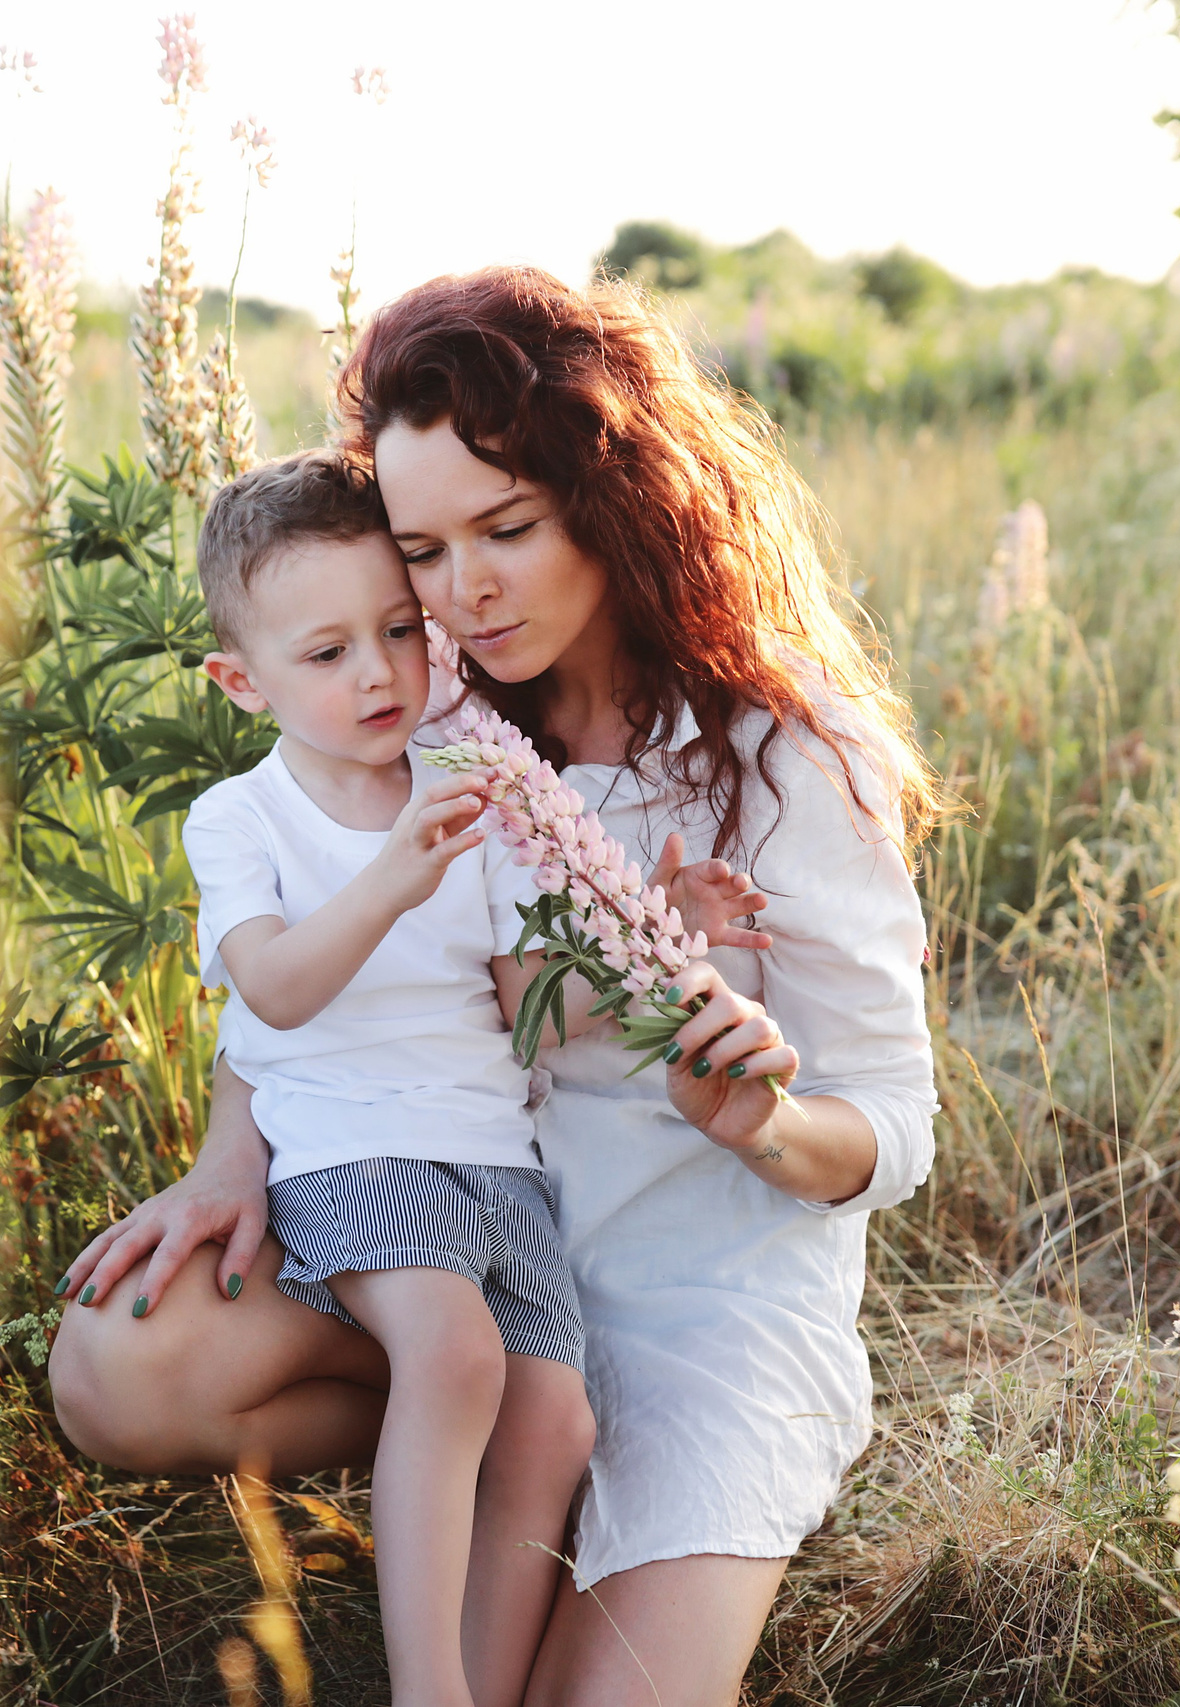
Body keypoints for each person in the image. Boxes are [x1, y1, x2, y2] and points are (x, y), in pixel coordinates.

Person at [51, 267, 941, 1707]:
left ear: (616, 498)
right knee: (115, 1364)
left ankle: (511, 1474)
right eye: (424, 549)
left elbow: (893, 1123)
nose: (461, 592)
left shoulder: (790, 750)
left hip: (694, 1300)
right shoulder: (430, 701)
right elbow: (325, 940)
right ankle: (459, 1443)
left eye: (508, 529)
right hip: (453, 1223)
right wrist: (232, 1154)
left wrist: (761, 1120)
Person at [160, 447, 592, 1707]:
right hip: (353, 1150)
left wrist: (660, 933)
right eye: (327, 651)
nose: (378, 674)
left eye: (399, 633)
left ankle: (480, 1677)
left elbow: (531, 1023)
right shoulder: (242, 820)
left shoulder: (475, 793)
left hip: (498, 1162)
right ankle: (428, 1690)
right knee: (454, 1359)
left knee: (553, 1419)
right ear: (242, 681)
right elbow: (276, 988)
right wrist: (396, 875)